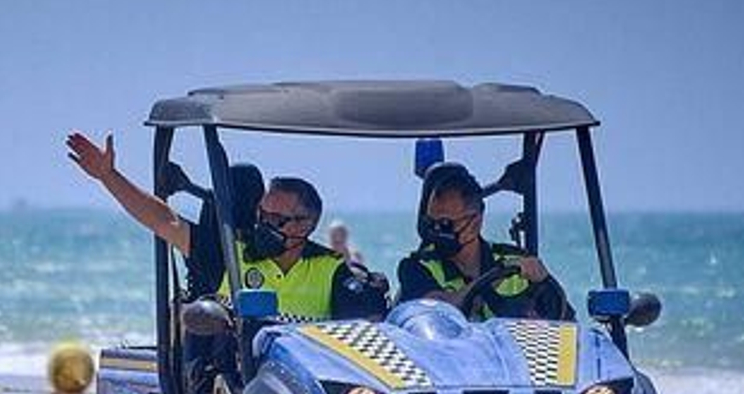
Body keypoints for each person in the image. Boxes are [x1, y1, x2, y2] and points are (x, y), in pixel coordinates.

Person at [65, 132, 386, 321]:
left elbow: (362, 328)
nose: (264, 225)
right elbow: (163, 220)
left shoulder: (330, 268)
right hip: (232, 385)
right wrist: (109, 176)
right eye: (262, 215)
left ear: (307, 225)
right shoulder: (229, 255)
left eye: (277, 220)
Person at [397, 163, 567, 320]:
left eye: (445, 224)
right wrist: (490, 278)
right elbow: (439, 311)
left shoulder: (516, 260)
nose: (436, 231)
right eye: (431, 223)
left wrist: (542, 282)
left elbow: (566, 324)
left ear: (475, 222)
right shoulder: (414, 268)